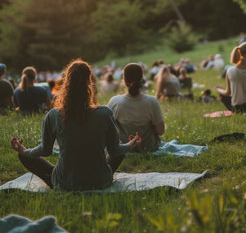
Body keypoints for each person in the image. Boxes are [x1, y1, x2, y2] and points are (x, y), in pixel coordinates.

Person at [10, 60, 141, 190]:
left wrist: (24, 151)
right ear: (90, 83)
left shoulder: (53, 115)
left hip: (65, 182)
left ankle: (60, 174)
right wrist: (131, 144)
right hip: (100, 181)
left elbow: (45, 150)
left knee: (24, 156)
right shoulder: (105, 113)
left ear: (66, 83)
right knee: (120, 149)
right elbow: (115, 150)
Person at [108, 63, 165, 153]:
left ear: (124, 80)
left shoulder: (114, 102)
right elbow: (160, 131)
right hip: (149, 148)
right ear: (142, 80)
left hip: (124, 149)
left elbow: (109, 131)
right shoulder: (152, 102)